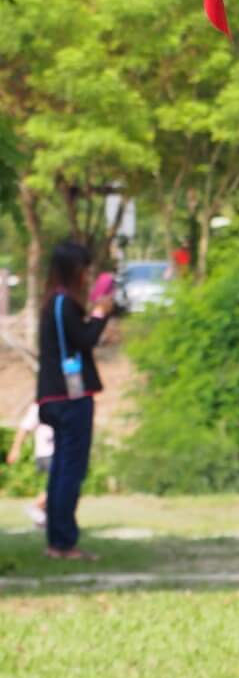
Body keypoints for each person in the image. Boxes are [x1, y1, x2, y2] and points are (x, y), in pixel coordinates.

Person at [36, 240, 113, 561]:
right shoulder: (64, 304)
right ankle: (65, 542)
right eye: (85, 269)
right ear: (75, 271)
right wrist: (99, 315)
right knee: (70, 470)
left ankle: (57, 541)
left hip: (53, 396)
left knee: (60, 470)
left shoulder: (51, 303)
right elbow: (84, 340)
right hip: (71, 397)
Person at [6, 401, 54, 528]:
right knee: (59, 485)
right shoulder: (39, 405)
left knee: (58, 485)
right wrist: (15, 448)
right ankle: (34, 506)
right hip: (48, 452)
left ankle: (42, 520)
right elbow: (24, 427)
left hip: (57, 451)